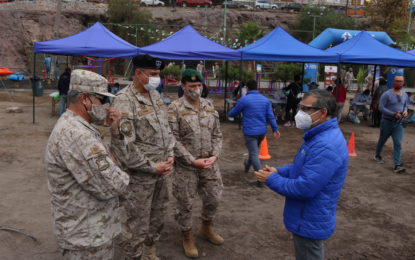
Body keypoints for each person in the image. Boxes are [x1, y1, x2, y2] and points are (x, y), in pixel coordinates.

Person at [44, 69, 130, 260]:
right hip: (86, 239)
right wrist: (117, 169)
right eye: (102, 100)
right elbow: (114, 185)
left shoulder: (80, 127)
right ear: (85, 99)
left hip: (92, 230)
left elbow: (117, 163)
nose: (107, 106)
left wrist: (115, 133)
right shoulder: (77, 135)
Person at [255, 89, 348, 260]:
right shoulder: (317, 136)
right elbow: (303, 167)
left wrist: (271, 179)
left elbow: (305, 187)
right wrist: (279, 171)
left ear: (323, 112)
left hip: (309, 219)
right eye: (300, 108)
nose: (300, 113)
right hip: (308, 216)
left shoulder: (325, 144)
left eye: (306, 109)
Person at [110, 54, 175, 260]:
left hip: (163, 172)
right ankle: (134, 255)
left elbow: (166, 130)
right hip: (139, 177)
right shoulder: (124, 100)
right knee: (136, 222)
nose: (158, 78)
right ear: (138, 73)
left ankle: (149, 249)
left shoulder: (155, 96)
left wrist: (171, 154)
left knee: (158, 215)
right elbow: (124, 147)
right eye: (153, 74)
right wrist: (152, 166)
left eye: (159, 74)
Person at [168, 69, 224, 258]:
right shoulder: (174, 108)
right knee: (185, 203)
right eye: (192, 86)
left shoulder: (209, 106)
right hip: (186, 167)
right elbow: (172, 140)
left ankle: (206, 228)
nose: (196, 89)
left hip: (209, 164)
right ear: (183, 86)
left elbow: (217, 134)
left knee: (214, 198)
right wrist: (192, 160)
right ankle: (187, 236)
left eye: (199, 85)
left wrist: (215, 156)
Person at [228, 79, 280, 186]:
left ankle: (261, 179)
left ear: (247, 88)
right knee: (254, 151)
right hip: (262, 132)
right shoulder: (265, 100)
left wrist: (234, 111)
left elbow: (232, 113)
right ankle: (247, 165)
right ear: (257, 87)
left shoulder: (244, 100)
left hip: (250, 131)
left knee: (254, 153)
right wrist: (275, 129)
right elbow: (270, 116)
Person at [374, 75, 409, 173]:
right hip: (387, 122)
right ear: (393, 82)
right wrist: (393, 114)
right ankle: (377, 155)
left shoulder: (405, 94)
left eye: (401, 81)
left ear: (403, 82)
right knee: (382, 140)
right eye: (397, 81)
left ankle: (397, 165)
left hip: (399, 123)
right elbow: (381, 107)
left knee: (398, 143)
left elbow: (405, 105)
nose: (399, 83)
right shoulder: (386, 94)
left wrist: (405, 111)